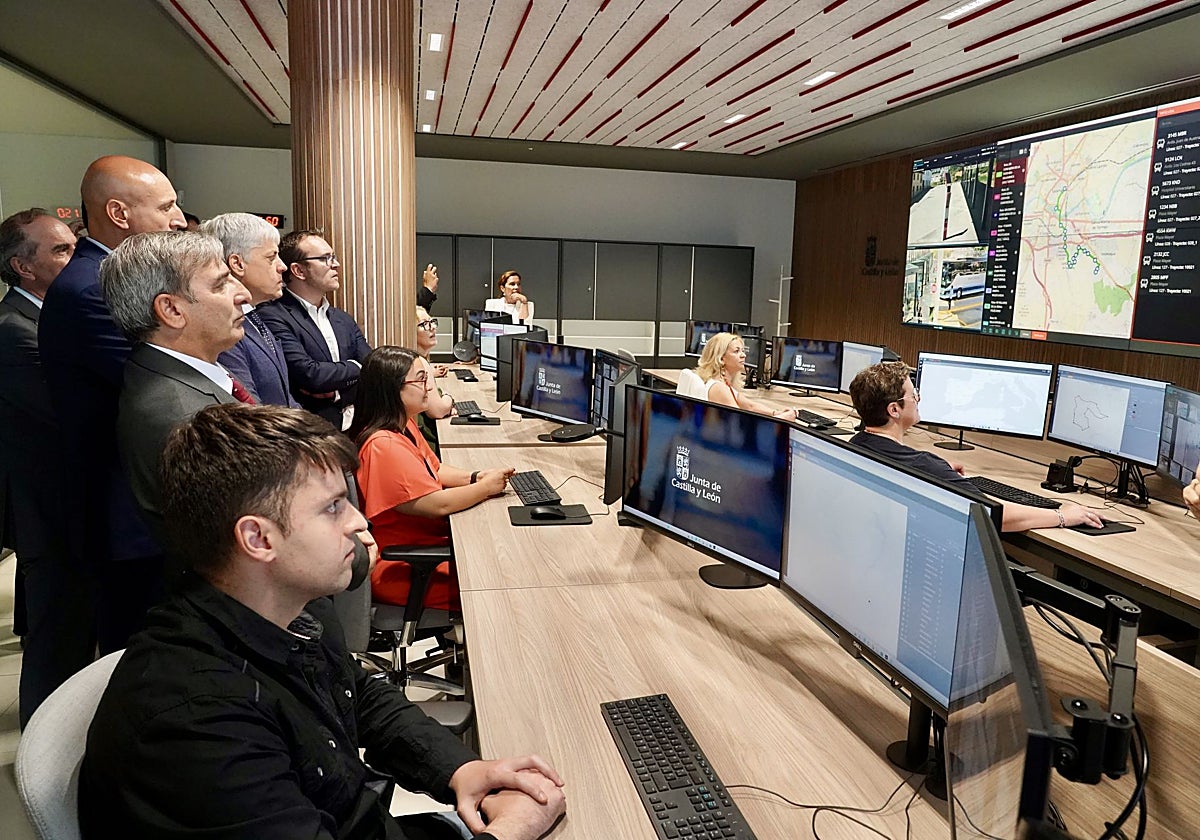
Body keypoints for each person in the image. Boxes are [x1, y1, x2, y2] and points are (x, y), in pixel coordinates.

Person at [79, 402, 566, 839]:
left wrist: (460, 769)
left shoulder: (285, 611)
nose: (359, 522)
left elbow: (361, 697)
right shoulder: (196, 720)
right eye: (333, 507)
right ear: (259, 539)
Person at [38, 154, 187, 654]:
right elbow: (160, 374)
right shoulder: (92, 288)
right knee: (143, 652)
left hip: (140, 506)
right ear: (120, 214)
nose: (179, 221)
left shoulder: (114, 277)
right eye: (166, 207)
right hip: (126, 515)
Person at [103, 231, 251, 576]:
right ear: (170, 309)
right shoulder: (188, 417)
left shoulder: (178, 369)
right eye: (220, 285)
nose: (242, 294)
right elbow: (245, 543)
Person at [0, 208, 90, 726]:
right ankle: (45, 747)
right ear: (22, 267)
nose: (74, 258)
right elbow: (66, 416)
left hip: (68, 501)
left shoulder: (52, 317)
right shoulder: (16, 330)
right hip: (50, 506)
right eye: (60, 250)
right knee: (57, 631)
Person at [848, 361, 1104, 531]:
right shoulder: (923, 465)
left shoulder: (855, 446)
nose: (918, 399)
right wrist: (1063, 515)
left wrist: (940, 471)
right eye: (913, 395)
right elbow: (993, 516)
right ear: (894, 409)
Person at [349, 347, 513, 611]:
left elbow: (433, 468)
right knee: (499, 584)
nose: (429, 387)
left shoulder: (404, 425)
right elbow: (436, 505)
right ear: (393, 389)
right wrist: (483, 489)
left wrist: (473, 477)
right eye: (421, 380)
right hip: (405, 566)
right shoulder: (383, 445)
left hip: (427, 548)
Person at [257, 229, 372, 429]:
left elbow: (374, 368)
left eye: (333, 257)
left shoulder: (341, 319)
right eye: (325, 258)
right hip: (310, 433)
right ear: (298, 271)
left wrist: (338, 391)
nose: (336, 264)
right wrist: (356, 367)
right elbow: (310, 376)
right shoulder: (273, 315)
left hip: (357, 426)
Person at [203, 212, 299, 407]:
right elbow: (251, 409)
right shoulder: (225, 330)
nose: (282, 267)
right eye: (272, 257)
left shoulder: (254, 316)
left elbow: (285, 397)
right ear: (237, 264)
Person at [695, 332, 798, 421]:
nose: (743, 355)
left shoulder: (724, 383)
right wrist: (783, 419)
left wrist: (776, 413)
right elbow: (740, 423)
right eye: (736, 351)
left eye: (742, 351)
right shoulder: (719, 388)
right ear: (721, 358)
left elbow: (750, 406)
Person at [415, 307, 455, 455]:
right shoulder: (419, 362)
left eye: (432, 322)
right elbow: (437, 411)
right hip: (426, 447)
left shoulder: (422, 360)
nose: (432, 327)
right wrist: (448, 398)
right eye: (424, 324)